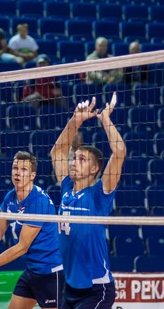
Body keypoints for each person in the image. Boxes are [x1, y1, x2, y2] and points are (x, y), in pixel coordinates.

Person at [50, 96, 126, 309]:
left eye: (82, 160)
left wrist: (105, 120)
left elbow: (119, 152)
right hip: (71, 285)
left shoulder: (99, 193)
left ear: (94, 169)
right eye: (74, 158)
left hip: (97, 289)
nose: (74, 162)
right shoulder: (66, 188)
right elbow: (58, 152)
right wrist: (76, 120)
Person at [0, 151, 64, 309]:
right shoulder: (10, 197)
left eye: (24, 169)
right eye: (15, 168)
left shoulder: (38, 201)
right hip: (32, 271)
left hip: (50, 272)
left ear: (33, 175)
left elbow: (22, 246)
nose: (18, 173)